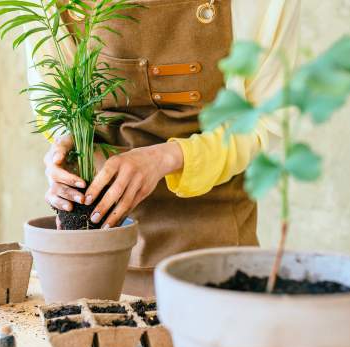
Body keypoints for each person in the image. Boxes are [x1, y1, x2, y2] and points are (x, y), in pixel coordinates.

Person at [31, 0, 300, 296]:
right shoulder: (48, 5)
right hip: (100, 254)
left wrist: (166, 158)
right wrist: (65, 149)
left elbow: (265, 120)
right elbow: (57, 103)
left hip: (214, 250)